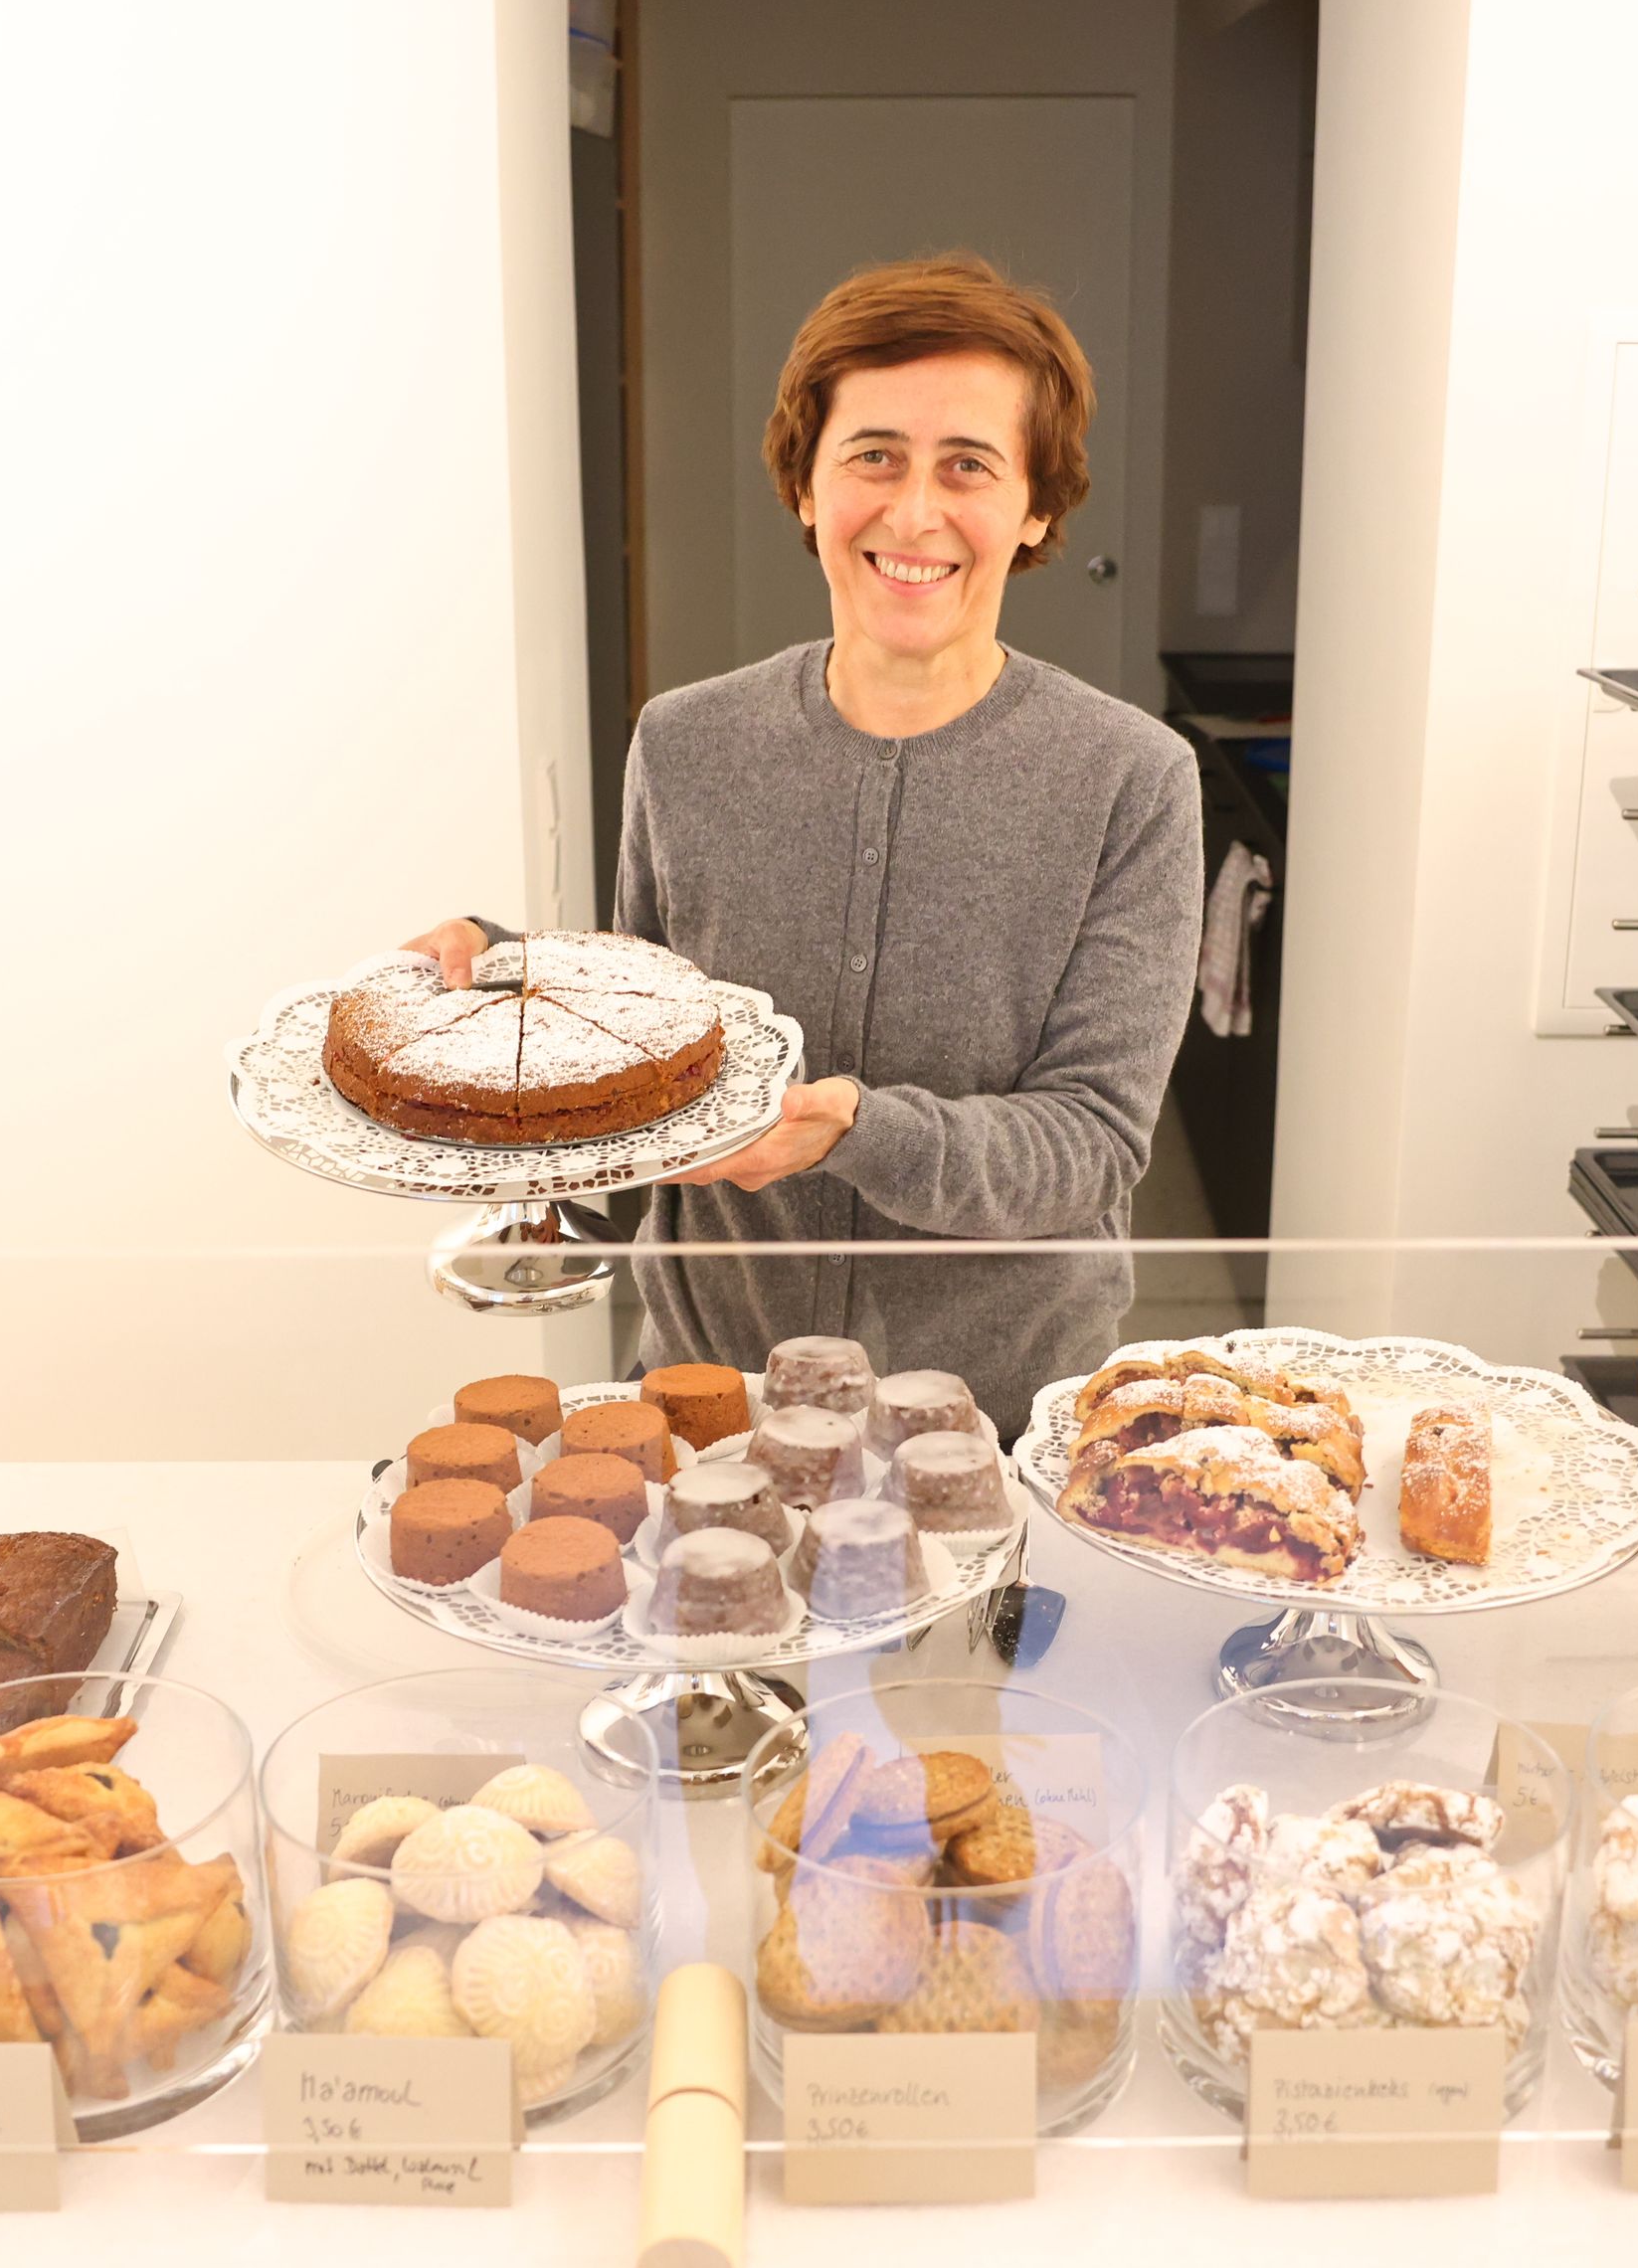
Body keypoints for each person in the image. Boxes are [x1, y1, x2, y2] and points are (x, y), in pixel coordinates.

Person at [404, 253, 1201, 1433]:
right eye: (872, 456)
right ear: (805, 487)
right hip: (709, 1392)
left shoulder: (1131, 779)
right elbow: (660, 1033)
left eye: (968, 466)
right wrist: (511, 968)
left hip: (989, 1416)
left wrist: (856, 1129)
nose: (913, 511)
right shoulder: (684, 743)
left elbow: (1088, 1145)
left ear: (1036, 509)